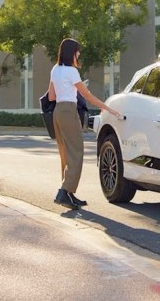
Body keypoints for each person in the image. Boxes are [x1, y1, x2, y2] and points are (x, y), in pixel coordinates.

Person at [48, 38, 121, 210]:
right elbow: (87, 96)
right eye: (77, 51)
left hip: (58, 111)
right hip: (68, 111)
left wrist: (66, 89)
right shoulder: (72, 71)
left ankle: (69, 194)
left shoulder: (55, 69)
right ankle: (64, 191)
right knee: (77, 153)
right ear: (71, 52)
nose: (79, 54)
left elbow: (51, 96)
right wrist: (109, 108)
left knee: (66, 153)